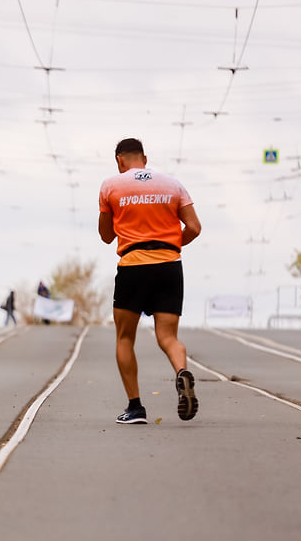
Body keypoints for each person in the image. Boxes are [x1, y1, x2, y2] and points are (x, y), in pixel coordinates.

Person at [98, 138, 202, 425]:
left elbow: (106, 236)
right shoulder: (172, 184)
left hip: (133, 266)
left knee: (124, 337)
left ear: (119, 160)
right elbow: (194, 227)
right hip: (169, 266)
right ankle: (182, 372)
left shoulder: (111, 186)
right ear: (144, 157)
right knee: (168, 338)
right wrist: (171, 245)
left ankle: (135, 407)